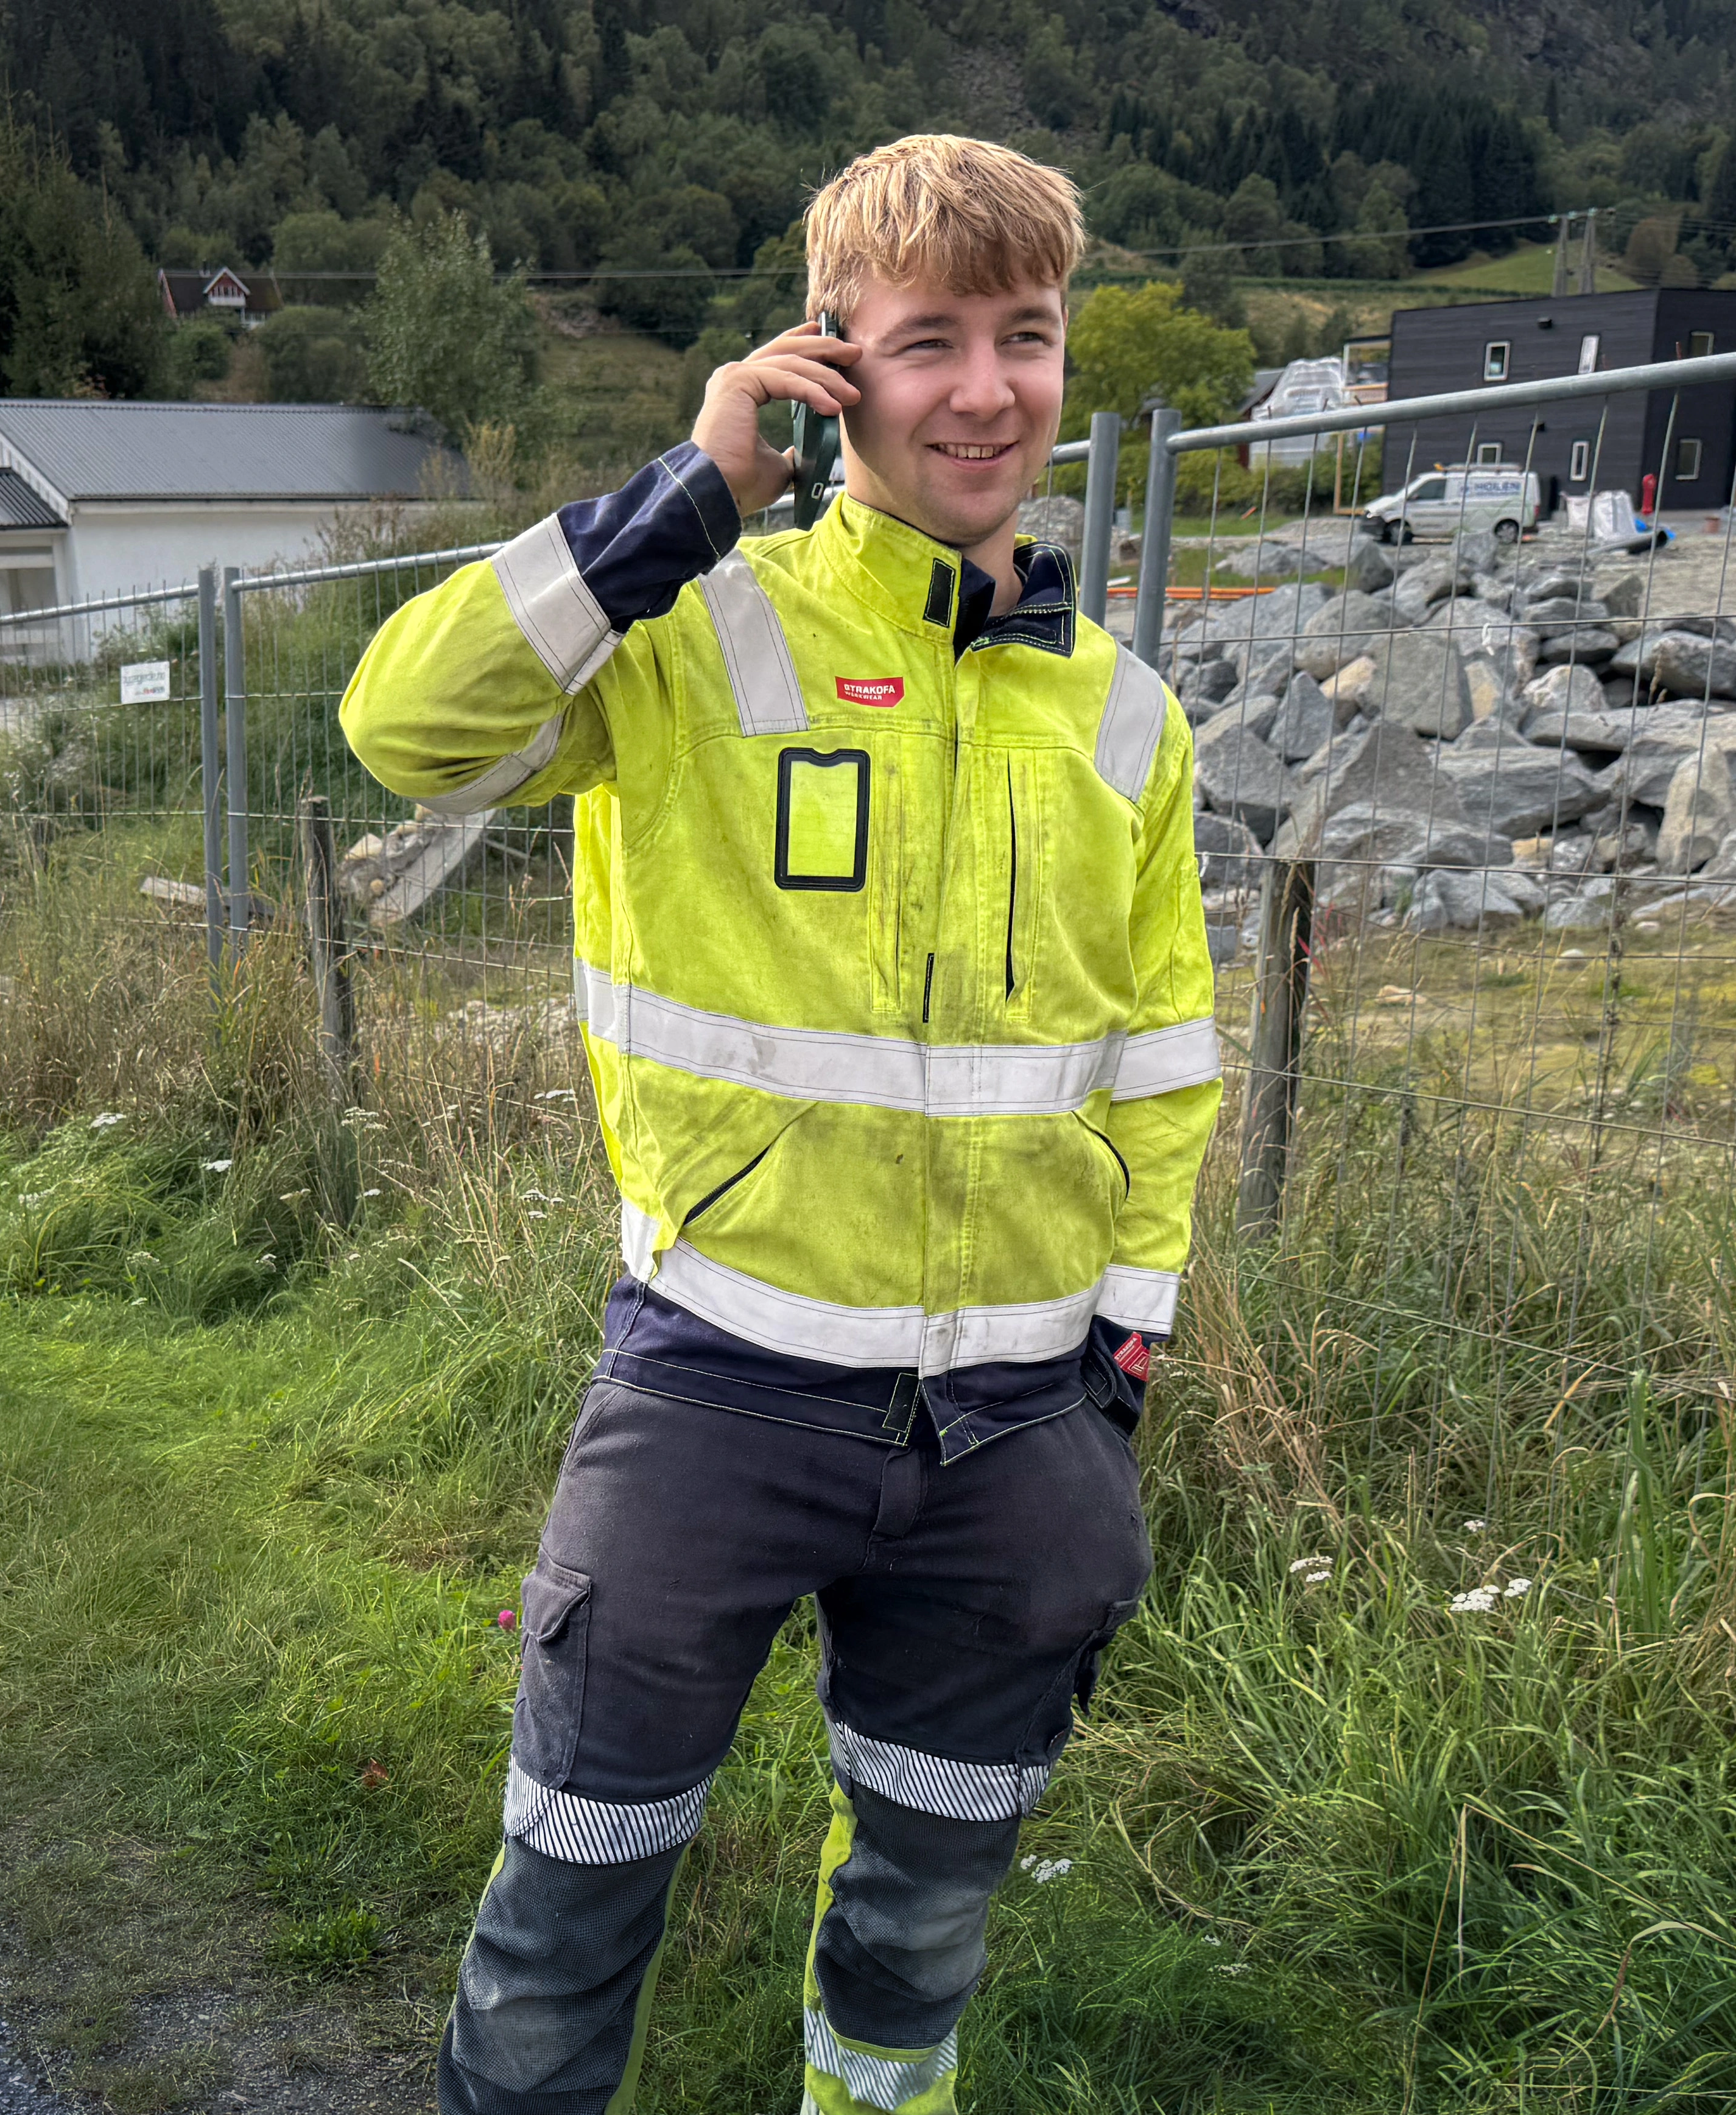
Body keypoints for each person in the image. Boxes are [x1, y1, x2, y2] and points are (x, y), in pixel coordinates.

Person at [340, 132, 1221, 2115]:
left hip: (1018, 1428)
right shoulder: (693, 627)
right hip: (719, 1388)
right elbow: (404, 728)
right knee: (567, 1907)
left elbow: (1165, 1061)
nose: (987, 390)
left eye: (1027, 336)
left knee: (922, 1924)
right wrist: (690, 487)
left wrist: (1116, 1367)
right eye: (928, 343)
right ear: (833, 364)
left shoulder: (1130, 719)